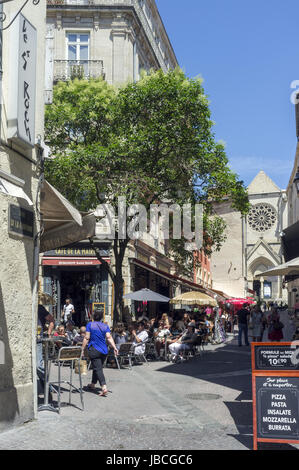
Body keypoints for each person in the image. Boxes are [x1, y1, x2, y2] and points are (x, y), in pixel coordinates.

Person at [82, 309, 118, 397]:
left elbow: (87, 338)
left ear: (93, 317)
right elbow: (109, 337)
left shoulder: (90, 325)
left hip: (94, 349)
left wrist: (82, 349)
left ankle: (104, 387)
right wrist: (114, 347)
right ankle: (93, 384)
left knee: (98, 368)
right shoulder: (105, 326)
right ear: (102, 317)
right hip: (104, 351)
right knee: (97, 366)